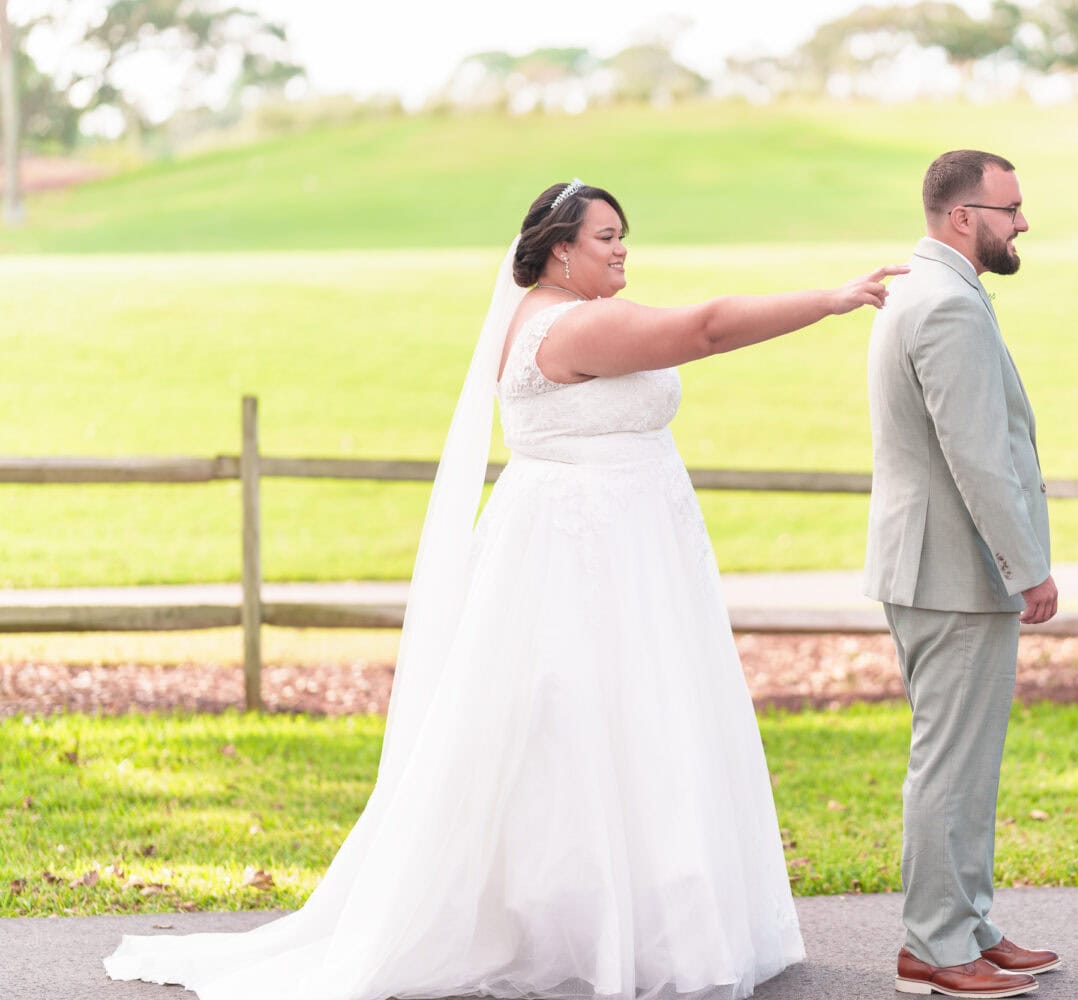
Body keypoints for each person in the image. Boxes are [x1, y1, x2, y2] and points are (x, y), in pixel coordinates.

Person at [103, 179, 905, 1000]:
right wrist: (831, 299)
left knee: (605, 733)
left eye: (624, 235)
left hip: (612, 543)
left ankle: (603, 921)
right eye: (606, 237)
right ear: (560, 250)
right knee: (599, 729)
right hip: (591, 556)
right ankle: (596, 935)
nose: (623, 248)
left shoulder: (542, 316)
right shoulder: (573, 324)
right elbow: (705, 329)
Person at [864, 150, 1062, 999]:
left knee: (965, 761)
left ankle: (969, 924)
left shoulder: (928, 287)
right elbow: (977, 456)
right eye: (1009, 209)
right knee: (950, 763)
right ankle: (934, 949)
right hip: (955, 570)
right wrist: (1029, 568)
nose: (1022, 223)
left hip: (938, 565)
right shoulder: (946, 304)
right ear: (961, 217)